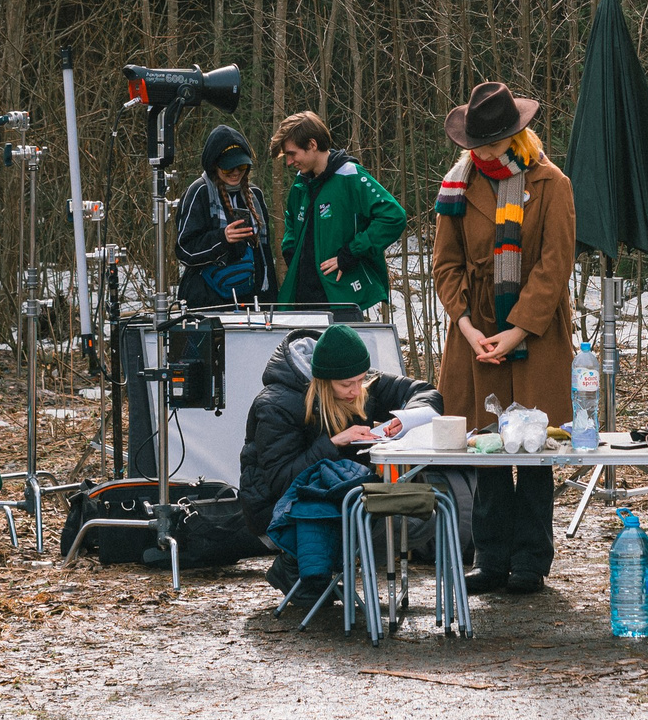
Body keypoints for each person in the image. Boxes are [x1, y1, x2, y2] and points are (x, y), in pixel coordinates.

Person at [432, 80, 577, 594]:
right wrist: (468, 326)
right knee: (484, 446)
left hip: (533, 331)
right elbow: (445, 265)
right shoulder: (458, 185)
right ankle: (490, 559)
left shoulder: (551, 182)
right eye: (475, 145)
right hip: (475, 331)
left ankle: (531, 562)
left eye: (490, 144)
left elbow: (555, 265)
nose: (480, 153)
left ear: (515, 136)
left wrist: (516, 330)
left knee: (533, 449)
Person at [238, 323, 442, 603]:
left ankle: (317, 569)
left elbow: (425, 392)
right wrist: (333, 443)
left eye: (361, 380)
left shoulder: (356, 379)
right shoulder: (276, 404)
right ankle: (294, 565)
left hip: (338, 494)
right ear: (322, 379)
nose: (356, 390)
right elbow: (281, 481)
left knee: (421, 520)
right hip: (279, 509)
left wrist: (405, 419)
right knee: (392, 524)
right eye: (346, 385)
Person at [271, 111, 408, 318]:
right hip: (300, 299)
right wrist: (291, 251)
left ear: (312, 144)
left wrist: (351, 253)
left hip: (339, 299)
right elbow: (291, 219)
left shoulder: (350, 176)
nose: (289, 162)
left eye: (292, 153)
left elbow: (393, 216)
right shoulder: (301, 183)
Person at [174, 125, 274, 309]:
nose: (236, 172)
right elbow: (184, 250)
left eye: (242, 166)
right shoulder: (200, 192)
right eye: (228, 169)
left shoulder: (255, 195)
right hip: (207, 300)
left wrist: (270, 301)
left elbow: (264, 253)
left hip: (250, 297)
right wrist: (222, 238)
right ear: (214, 166)